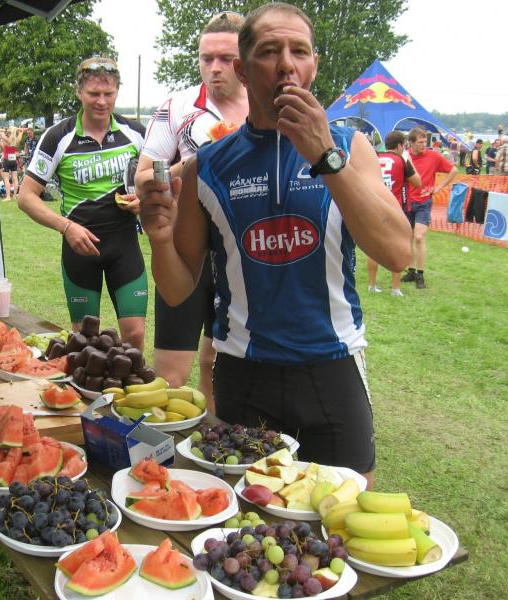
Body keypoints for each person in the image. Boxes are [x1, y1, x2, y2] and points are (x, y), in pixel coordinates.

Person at [140, 3, 412, 486]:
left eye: (299, 51)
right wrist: (160, 240)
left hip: (332, 366)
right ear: (243, 70)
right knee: (246, 516)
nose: (286, 64)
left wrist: (323, 155)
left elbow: (397, 253)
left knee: (344, 511)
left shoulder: (350, 148)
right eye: (269, 51)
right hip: (246, 372)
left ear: (314, 66)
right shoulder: (206, 166)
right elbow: (179, 290)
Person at [134, 10, 248, 411]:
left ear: (246, 60)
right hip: (186, 253)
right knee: (170, 377)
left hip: (242, 258)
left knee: (218, 368)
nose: (214, 68)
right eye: (206, 58)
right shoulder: (178, 106)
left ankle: (210, 444)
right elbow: (144, 177)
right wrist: (196, 162)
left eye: (226, 58)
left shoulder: (264, 108)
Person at [18, 57, 148, 349]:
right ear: (79, 93)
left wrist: (145, 200)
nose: (101, 101)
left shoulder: (135, 132)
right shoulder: (58, 137)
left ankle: (134, 381)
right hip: (80, 249)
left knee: (135, 334)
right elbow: (25, 197)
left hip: (124, 245)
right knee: (85, 339)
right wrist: (66, 227)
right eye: (93, 94)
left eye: (108, 93)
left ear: (117, 92)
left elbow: (161, 180)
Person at [401, 127, 457, 289]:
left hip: (424, 202)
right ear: (411, 143)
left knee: (419, 237)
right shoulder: (405, 157)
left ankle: (420, 274)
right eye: (420, 142)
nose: (423, 145)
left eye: (425, 142)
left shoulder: (433, 156)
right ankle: (411, 271)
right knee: (408, 237)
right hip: (407, 202)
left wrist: (439, 187)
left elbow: (453, 170)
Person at [367, 130, 421, 297]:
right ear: (399, 146)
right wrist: (408, 160)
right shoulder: (401, 160)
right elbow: (417, 182)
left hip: (375, 205)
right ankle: (395, 288)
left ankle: (371, 285)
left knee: (373, 247)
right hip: (395, 208)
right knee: (398, 246)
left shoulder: (375, 158)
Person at [0, 126, 24, 201]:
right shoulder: (16, 139)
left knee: (6, 179)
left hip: (7, 159)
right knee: (15, 178)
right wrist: (18, 129)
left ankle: (8, 196)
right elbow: (21, 131)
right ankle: (15, 195)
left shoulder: (7, 139)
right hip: (13, 160)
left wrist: (4, 129)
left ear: (9, 132)